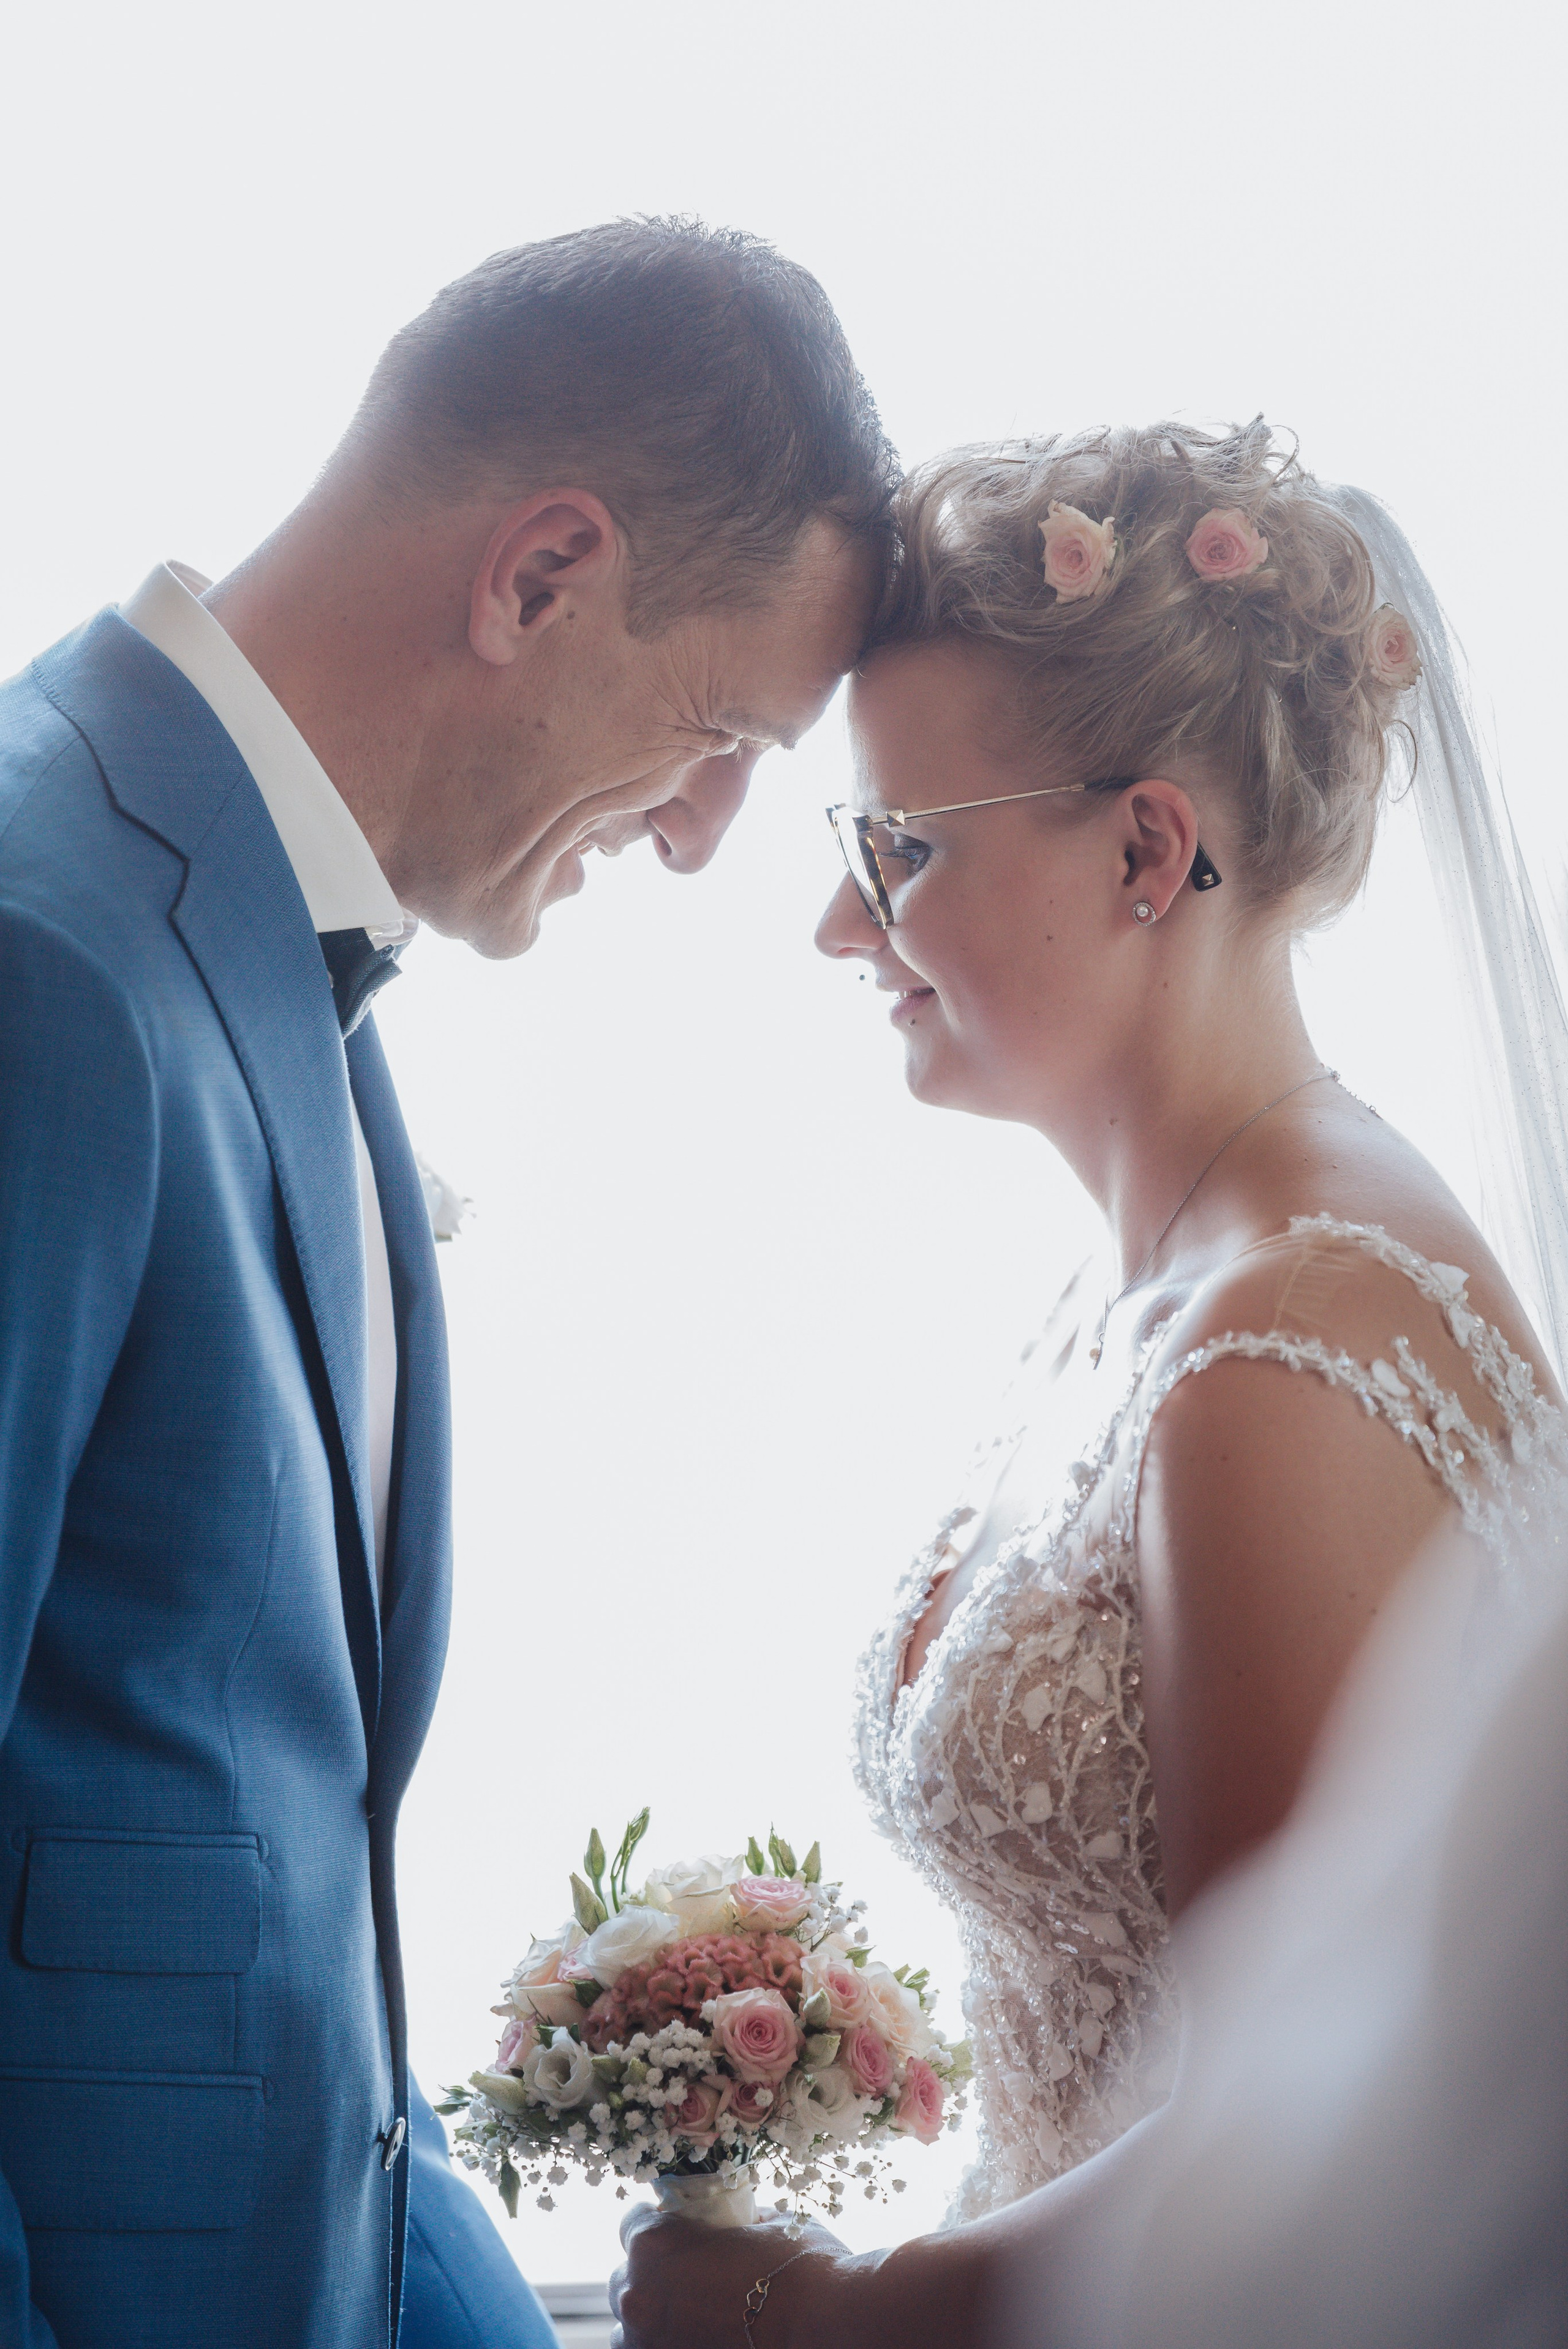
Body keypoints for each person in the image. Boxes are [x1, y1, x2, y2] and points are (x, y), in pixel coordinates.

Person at [0, 216, 891, 2349]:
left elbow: (251, 1893)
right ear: (541, 573)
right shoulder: (45, 961)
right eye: (725, 731)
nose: (700, 836)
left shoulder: (278, 954)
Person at [612, 420, 1568, 2345]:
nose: (835, 925)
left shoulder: (1283, 1362)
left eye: (897, 848)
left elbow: (1305, 2167)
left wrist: (817, 2317)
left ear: (1146, 846)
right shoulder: (1151, 1270)